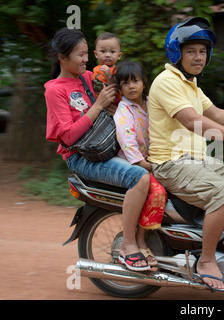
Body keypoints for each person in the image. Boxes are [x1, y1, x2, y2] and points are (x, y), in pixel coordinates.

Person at [148, 17, 224, 291]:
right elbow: (193, 122)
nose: (198, 57)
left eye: (203, 51)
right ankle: (205, 261)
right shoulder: (168, 81)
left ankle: (203, 239)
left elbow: (215, 113)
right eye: (191, 51)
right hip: (171, 162)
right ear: (176, 52)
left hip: (193, 160)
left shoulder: (190, 85)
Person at [45, 28, 151, 271]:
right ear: (62, 57)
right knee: (141, 177)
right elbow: (69, 136)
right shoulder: (54, 89)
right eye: (80, 55)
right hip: (80, 157)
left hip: (104, 147)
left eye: (85, 54)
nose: (86, 60)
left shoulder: (86, 79)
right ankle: (128, 245)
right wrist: (99, 105)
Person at [114, 61, 167, 266]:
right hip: (134, 163)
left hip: (156, 158)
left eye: (135, 81)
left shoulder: (151, 103)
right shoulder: (124, 110)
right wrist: (148, 166)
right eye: (125, 83)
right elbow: (128, 144)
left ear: (144, 82)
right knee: (159, 191)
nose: (131, 86)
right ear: (120, 88)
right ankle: (139, 238)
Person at [92, 32, 122, 102]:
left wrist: (109, 76)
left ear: (119, 56)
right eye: (103, 51)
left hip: (113, 103)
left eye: (112, 52)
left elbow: (117, 90)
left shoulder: (118, 71)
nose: (107, 55)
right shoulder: (96, 69)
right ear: (96, 54)